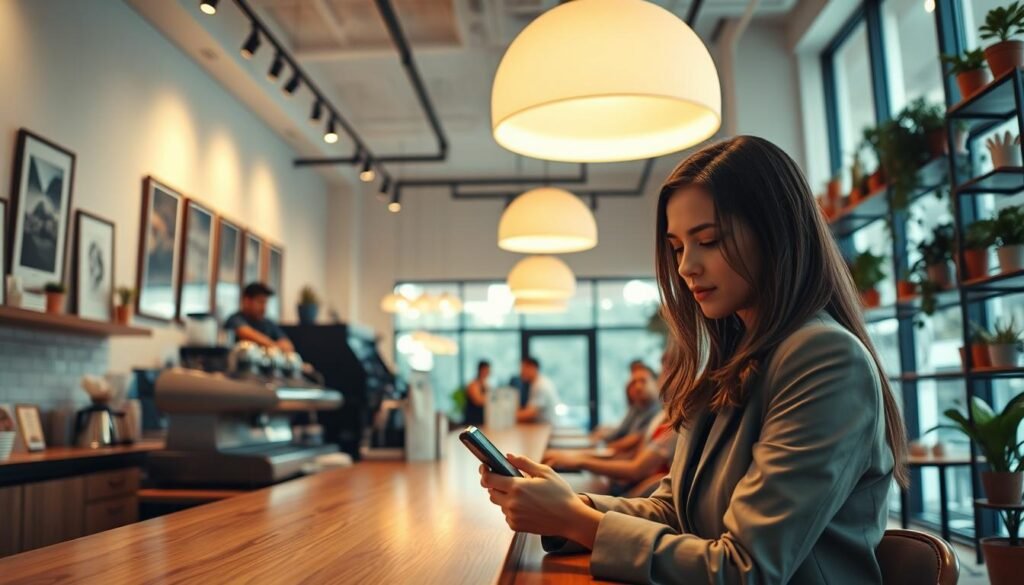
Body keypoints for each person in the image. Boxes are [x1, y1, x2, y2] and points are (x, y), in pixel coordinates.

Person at [479, 136, 908, 584]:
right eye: (678, 247)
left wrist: (575, 520)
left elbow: (746, 569)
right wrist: (568, 505)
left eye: (708, 240)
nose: (686, 267)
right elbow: (674, 509)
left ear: (774, 234)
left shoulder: (825, 359)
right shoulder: (737, 358)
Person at [225, 282, 294, 352]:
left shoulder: (268, 323)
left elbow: (288, 345)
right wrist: (275, 346)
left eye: (265, 302)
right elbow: (245, 333)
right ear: (247, 301)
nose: (264, 307)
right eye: (260, 302)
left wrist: (274, 346)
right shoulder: (235, 319)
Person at [515, 357, 561, 424]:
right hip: (545, 426)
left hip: (549, 428)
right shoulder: (537, 383)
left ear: (533, 368)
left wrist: (507, 416)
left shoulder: (541, 386)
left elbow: (530, 413)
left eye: (523, 368)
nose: (521, 372)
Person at [464, 360, 490, 425]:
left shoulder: (486, 384)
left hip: (482, 421)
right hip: (473, 420)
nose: (488, 372)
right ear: (480, 370)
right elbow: (478, 401)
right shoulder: (473, 384)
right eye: (486, 370)